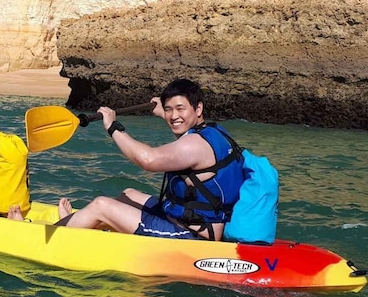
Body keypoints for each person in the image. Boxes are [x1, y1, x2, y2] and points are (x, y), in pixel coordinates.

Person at [55, 78, 245, 240]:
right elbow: (183, 135)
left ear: (198, 108)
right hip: (196, 220)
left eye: (180, 108)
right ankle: (77, 224)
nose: (174, 115)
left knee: (101, 205)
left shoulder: (194, 145)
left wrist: (113, 128)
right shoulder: (213, 132)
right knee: (128, 194)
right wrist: (165, 113)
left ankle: (52, 233)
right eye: (169, 109)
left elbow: (148, 160)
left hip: (190, 234)